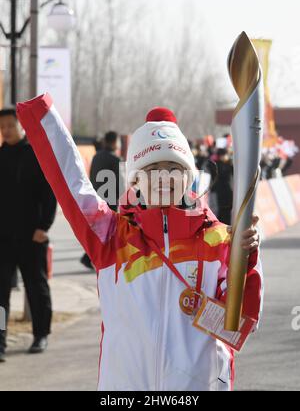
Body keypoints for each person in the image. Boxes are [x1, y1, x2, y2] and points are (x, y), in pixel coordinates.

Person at [17, 95, 262, 391]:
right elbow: (71, 183)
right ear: (135, 180)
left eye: (174, 168)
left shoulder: (220, 240)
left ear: (188, 178)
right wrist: (43, 117)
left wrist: (246, 259)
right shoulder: (110, 236)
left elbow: (236, 326)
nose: (163, 178)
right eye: (151, 169)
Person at [0, 107, 57, 363]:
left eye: (10, 125)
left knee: (36, 287)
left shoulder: (35, 155)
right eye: (2, 127)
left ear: (21, 125)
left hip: (32, 236)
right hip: (3, 238)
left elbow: (49, 195)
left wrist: (43, 227)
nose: (6, 130)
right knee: (0, 293)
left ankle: (41, 333)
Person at [80, 131, 124, 270]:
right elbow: (120, 183)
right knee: (108, 231)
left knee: (100, 231)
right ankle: (91, 258)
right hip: (110, 201)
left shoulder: (96, 157)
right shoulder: (115, 159)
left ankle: (90, 257)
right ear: (114, 142)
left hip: (97, 197)